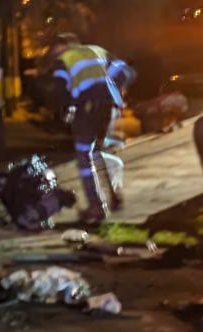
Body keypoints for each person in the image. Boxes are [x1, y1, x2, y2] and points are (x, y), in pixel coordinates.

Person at [47, 33, 135, 223]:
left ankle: (96, 207)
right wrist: (116, 90)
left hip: (86, 110)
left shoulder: (64, 60)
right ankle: (114, 196)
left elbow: (60, 93)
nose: (53, 53)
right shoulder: (97, 50)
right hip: (107, 108)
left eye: (54, 49)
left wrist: (66, 110)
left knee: (84, 159)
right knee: (97, 152)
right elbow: (126, 72)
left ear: (63, 46)